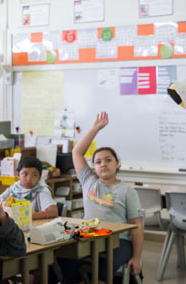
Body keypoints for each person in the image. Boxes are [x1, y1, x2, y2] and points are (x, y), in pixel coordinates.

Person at [59, 111, 143, 282]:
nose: (103, 164)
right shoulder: (88, 180)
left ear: (117, 163)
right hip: (90, 236)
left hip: (119, 241)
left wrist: (137, 257)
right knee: (64, 261)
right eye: (98, 161)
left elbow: (137, 226)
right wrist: (95, 129)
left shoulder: (127, 191)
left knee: (102, 270)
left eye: (108, 160)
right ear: (94, 167)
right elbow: (77, 153)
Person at [0, 156, 58, 220]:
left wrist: (25, 215)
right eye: (25, 174)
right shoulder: (15, 188)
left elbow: (53, 212)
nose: (29, 179)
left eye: (34, 175)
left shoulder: (41, 190)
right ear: (18, 174)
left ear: (39, 177)